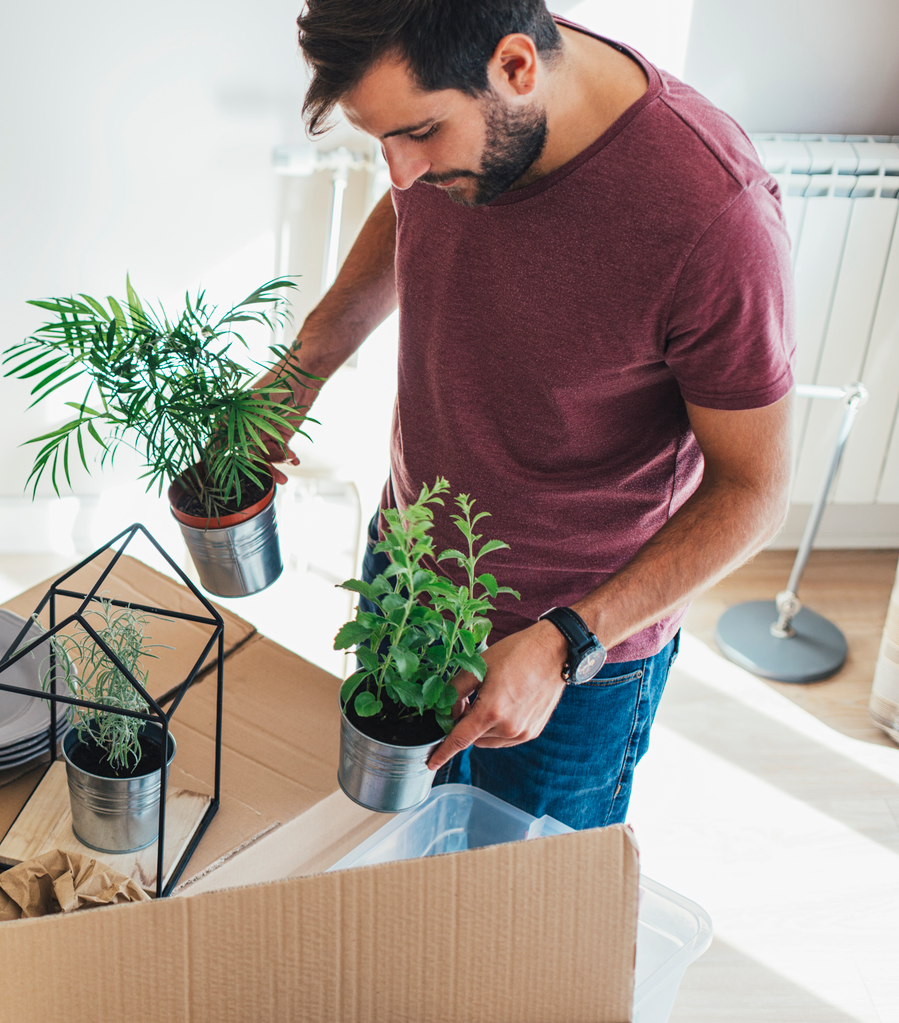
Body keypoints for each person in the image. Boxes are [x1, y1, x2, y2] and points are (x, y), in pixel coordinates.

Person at [264, 3, 794, 828]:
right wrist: (299, 374)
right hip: (406, 581)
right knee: (382, 850)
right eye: (380, 142)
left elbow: (754, 490)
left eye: (420, 134)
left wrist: (565, 644)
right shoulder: (461, 112)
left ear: (517, 67)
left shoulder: (712, 213)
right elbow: (411, 210)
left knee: (515, 910)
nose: (398, 172)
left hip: (577, 651)